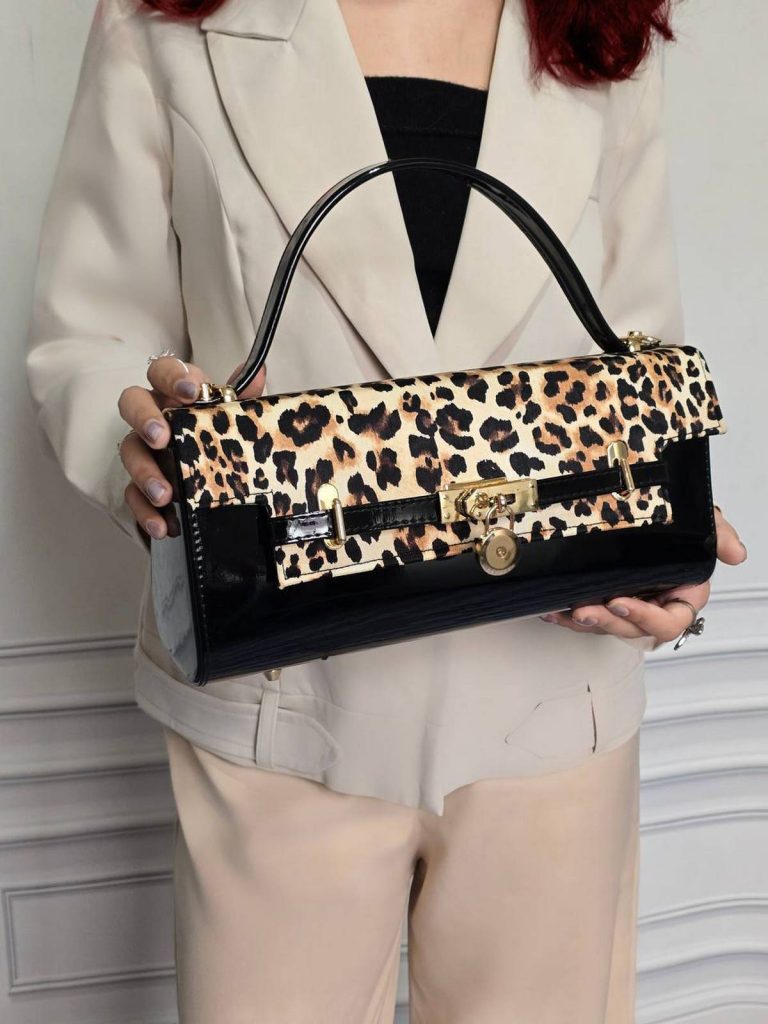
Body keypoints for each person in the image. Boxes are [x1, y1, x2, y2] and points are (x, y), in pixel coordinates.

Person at [26, 0, 746, 1020]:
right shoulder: (167, 21)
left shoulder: (599, 26)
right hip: (280, 708)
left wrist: (669, 551)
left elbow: (635, 360)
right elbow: (90, 334)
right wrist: (138, 448)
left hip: (554, 702)